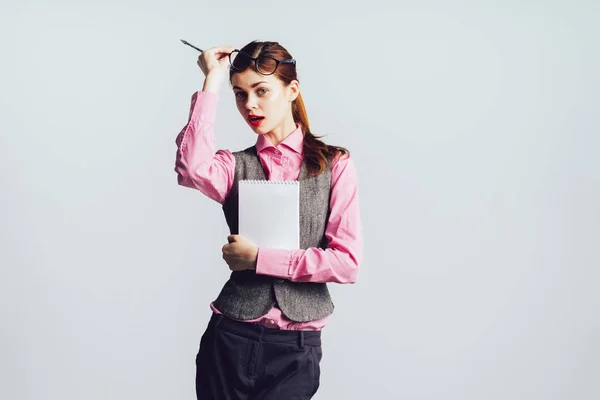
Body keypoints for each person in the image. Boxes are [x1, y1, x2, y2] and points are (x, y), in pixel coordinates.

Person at [174, 40, 363, 400]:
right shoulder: (233, 165)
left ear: (292, 90)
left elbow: (347, 263)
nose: (250, 105)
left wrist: (260, 259)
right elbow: (190, 168)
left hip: (295, 348)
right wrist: (212, 82)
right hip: (229, 337)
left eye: (261, 91)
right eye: (239, 94)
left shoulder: (335, 166)